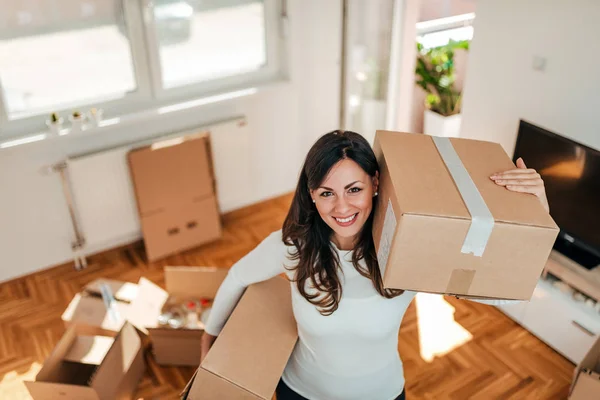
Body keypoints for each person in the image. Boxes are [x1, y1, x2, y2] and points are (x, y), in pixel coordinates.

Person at [200, 130, 549, 400]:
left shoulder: (407, 248)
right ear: (311, 195)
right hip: (299, 393)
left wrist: (538, 210)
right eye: (326, 193)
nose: (341, 207)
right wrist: (209, 336)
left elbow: (510, 296)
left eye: (354, 189)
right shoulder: (293, 247)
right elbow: (237, 277)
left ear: (375, 184)